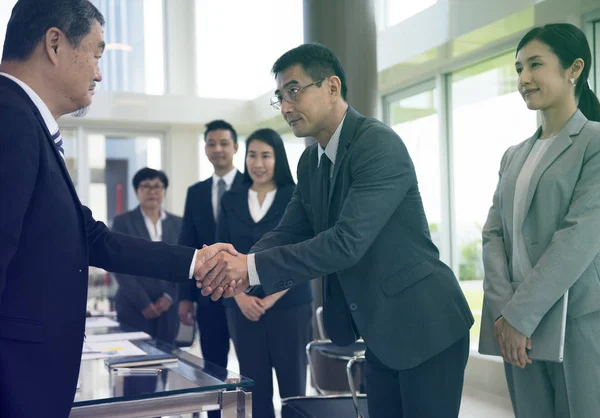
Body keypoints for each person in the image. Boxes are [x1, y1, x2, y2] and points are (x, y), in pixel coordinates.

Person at [196, 43, 474, 418]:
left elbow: (346, 242)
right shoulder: (312, 161)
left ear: (331, 87)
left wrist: (247, 268)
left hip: (424, 324)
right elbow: (290, 230)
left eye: (294, 90)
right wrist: (241, 266)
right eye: (280, 96)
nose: (287, 106)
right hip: (380, 331)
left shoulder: (377, 144)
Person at [0, 1, 233, 417]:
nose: (99, 72)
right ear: (55, 43)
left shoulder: (24, 123)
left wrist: (197, 261)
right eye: (96, 53)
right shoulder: (9, 119)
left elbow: (94, 239)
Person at [479, 23, 600, 417]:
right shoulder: (513, 155)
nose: (523, 78)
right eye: (518, 68)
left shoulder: (594, 142)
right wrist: (502, 313)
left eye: (535, 65)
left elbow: (578, 238)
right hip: (516, 331)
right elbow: (494, 234)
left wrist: (518, 316)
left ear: (574, 69)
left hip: (578, 324)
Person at [217, 128, 313, 418]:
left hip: (290, 305)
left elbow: (304, 252)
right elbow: (222, 254)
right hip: (242, 309)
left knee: (293, 389)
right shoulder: (231, 199)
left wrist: (270, 297)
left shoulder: (294, 196)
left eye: (266, 156)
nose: (258, 163)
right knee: (254, 388)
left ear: (278, 159)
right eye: (252, 155)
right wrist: (241, 298)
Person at [177, 119, 243, 416]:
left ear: (235, 147)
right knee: (213, 367)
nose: (218, 149)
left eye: (224, 143)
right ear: (205, 149)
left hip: (246, 294)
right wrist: (185, 297)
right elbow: (186, 245)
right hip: (208, 295)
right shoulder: (196, 192)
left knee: (250, 368)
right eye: (212, 144)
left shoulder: (252, 186)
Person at [112, 168, 182, 344]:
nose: (152, 191)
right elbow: (119, 266)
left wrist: (169, 297)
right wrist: (143, 302)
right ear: (137, 191)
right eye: (146, 186)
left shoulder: (178, 224)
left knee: (165, 364)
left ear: (164, 191)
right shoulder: (123, 222)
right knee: (136, 366)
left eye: (158, 186)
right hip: (133, 307)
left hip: (169, 309)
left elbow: (183, 264)